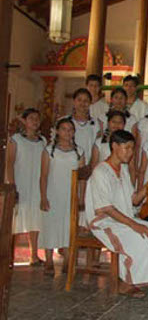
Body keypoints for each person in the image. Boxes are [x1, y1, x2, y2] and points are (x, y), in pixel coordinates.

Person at [85, 130, 148, 298]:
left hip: (122, 217)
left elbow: (133, 200)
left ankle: (145, 275)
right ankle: (125, 283)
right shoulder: (101, 172)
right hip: (104, 221)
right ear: (114, 146)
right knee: (141, 236)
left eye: (132, 148)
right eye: (127, 148)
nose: (131, 153)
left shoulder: (123, 170)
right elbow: (106, 208)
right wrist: (134, 225)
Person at [39, 117, 85, 275]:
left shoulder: (79, 151)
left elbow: (82, 177)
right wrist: (43, 197)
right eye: (64, 129)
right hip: (53, 193)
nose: (67, 132)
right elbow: (43, 175)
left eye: (70, 129)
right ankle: (49, 261)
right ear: (57, 131)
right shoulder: (49, 150)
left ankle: (67, 261)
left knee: (69, 228)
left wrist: (81, 197)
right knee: (50, 225)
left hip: (71, 195)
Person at [6, 108, 46, 265]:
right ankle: (9, 256)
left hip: (36, 184)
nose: (35, 121)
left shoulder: (42, 141)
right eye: (31, 118)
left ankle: (34, 255)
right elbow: (9, 163)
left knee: (35, 219)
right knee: (15, 219)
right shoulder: (15, 140)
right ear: (24, 121)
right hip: (20, 183)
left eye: (37, 118)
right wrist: (12, 185)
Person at [65, 88, 101, 165]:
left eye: (86, 101)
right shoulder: (64, 121)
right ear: (74, 102)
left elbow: (97, 147)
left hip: (88, 166)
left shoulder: (95, 123)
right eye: (79, 100)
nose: (82, 103)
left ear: (90, 103)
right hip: (66, 163)